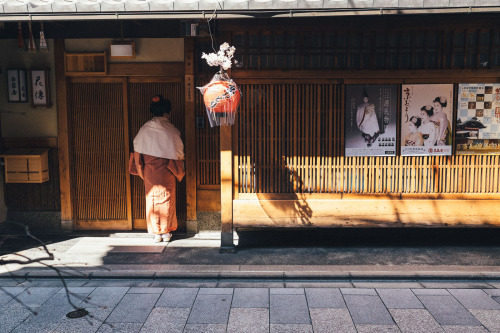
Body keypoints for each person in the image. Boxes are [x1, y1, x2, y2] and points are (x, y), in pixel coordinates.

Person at [129, 95, 185, 243]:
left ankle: (156, 233)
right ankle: (166, 232)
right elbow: (179, 152)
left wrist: (141, 167)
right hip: (167, 169)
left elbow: (136, 148)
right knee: (167, 198)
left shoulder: (144, 129)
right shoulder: (171, 129)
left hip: (148, 170)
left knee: (152, 198)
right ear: (168, 112)